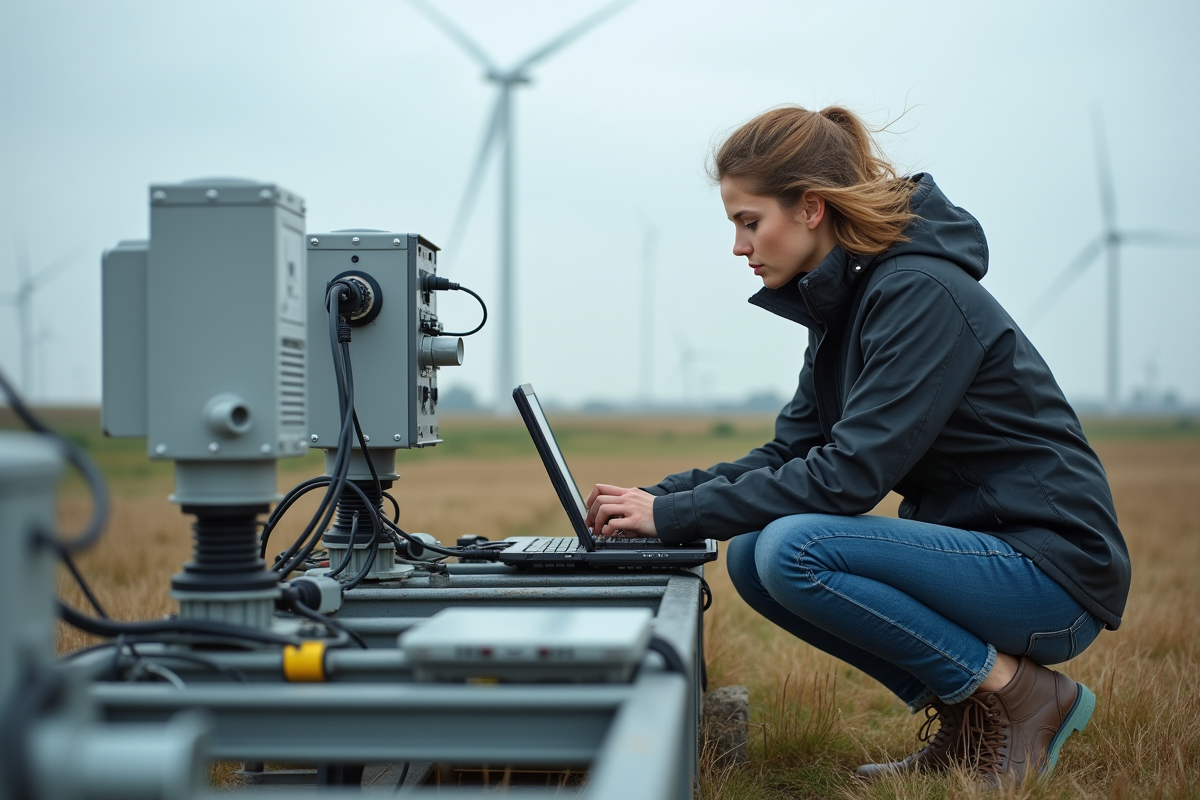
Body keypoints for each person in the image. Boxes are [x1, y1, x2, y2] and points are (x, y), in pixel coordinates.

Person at [584, 105, 1130, 788]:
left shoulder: (920, 293)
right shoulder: (847, 304)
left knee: (793, 549)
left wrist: (675, 518)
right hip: (982, 553)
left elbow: (849, 476)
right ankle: (971, 721)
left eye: (748, 222)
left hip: (1051, 573)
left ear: (810, 208)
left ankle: (1022, 696)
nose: (738, 246)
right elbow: (791, 452)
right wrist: (663, 499)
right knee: (755, 554)